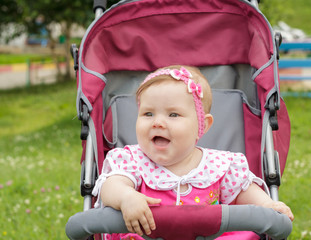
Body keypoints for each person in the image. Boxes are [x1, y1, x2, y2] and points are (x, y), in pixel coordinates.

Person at [92, 65, 294, 240]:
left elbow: (244, 192)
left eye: (173, 114)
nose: (158, 122)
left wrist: (267, 204)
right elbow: (110, 186)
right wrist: (126, 197)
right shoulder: (132, 161)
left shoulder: (219, 166)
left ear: (202, 125)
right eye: (148, 113)